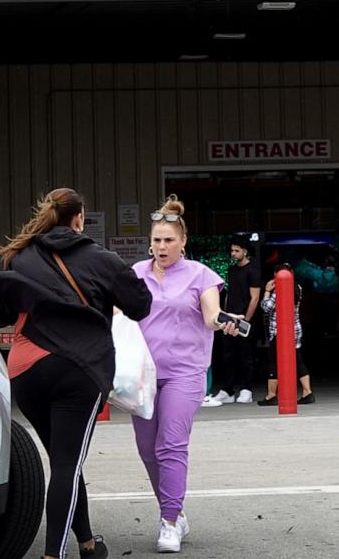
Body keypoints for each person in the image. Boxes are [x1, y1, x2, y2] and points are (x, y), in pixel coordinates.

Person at [0, 188, 152, 559]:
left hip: (25, 369)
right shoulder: (101, 259)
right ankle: (53, 555)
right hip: (78, 368)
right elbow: (140, 306)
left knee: (64, 462)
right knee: (66, 465)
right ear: (80, 218)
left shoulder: (19, 256)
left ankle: (89, 544)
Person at [131, 195, 240, 554]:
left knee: (170, 445)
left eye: (169, 240)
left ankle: (170, 522)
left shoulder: (201, 275)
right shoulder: (135, 274)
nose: (161, 246)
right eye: (157, 240)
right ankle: (173, 509)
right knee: (148, 450)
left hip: (184, 373)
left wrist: (223, 322)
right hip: (143, 375)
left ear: (183, 242)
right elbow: (118, 315)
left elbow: (211, 314)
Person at [207, 232, 262, 406]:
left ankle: (246, 389)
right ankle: (228, 390)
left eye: (236, 251)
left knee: (245, 355)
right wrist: (223, 311)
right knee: (228, 354)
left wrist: (247, 319)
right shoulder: (232, 270)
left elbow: (255, 297)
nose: (233, 254)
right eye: (232, 251)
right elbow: (229, 293)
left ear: (245, 251)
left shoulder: (253, 269)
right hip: (229, 316)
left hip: (244, 319)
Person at [257, 265, 315, 405]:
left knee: (273, 362)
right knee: (298, 360)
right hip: (295, 330)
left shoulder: (278, 291)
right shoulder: (298, 288)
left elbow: (266, 307)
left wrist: (266, 291)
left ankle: (271, 395)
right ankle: (307, 391)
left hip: (280, 331)